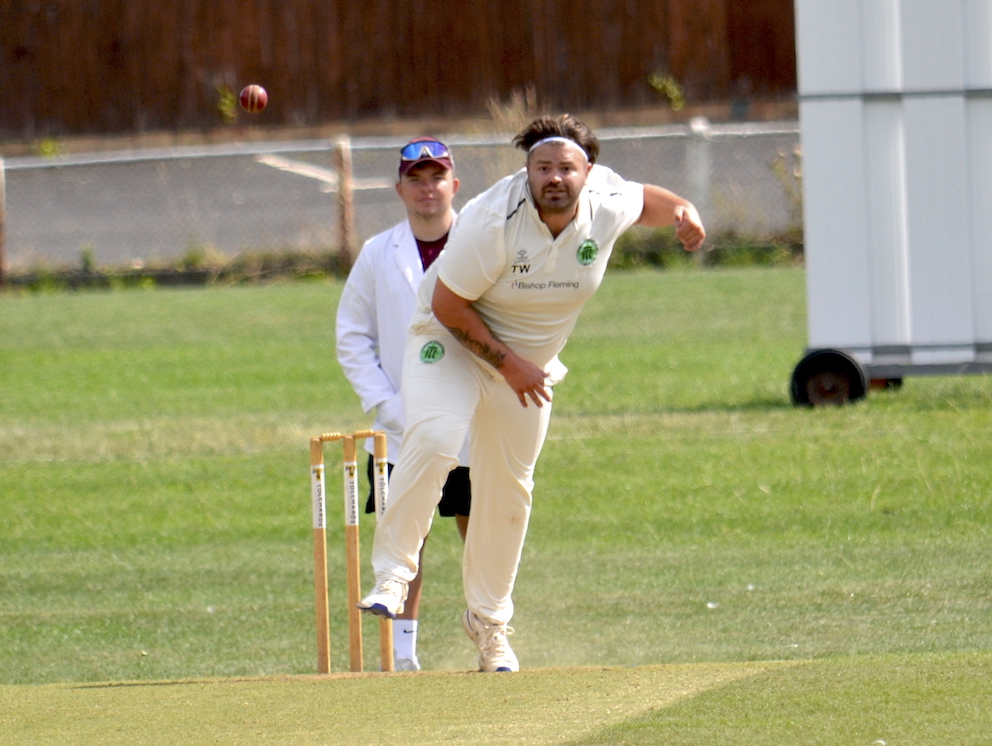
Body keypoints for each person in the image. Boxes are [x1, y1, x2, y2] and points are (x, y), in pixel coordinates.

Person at [358, 114, 705, 672]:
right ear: (528, 172)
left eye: (565, 168)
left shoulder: (607, 199)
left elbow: (655, 202)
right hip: (450, 341)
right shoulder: (493, 217)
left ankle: (489, 626)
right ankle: (393, 575)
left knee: (508, 488)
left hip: (529, 367)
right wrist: (509, 363)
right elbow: (448, 307)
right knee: (437, 439)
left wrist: (688, 215)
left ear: (586, 173)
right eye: (542, 167)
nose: (554, 178)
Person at [336, 137, 472, 672]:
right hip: (401, 424)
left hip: (472, 423)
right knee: (404, 536)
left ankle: (489, 630)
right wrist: (385, 403)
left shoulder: (483, 244)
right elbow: (351, 335)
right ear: (399, 189)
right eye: (415, 179)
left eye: (436, 177)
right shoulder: (377, 253)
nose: (426, 188)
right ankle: (403, 655)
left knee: (479, 529)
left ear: (453, 185)